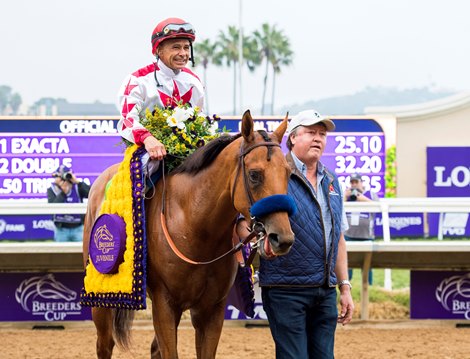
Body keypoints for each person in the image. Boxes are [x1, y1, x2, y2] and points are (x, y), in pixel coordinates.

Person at [237, 109, 354, 358]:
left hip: (324, 291)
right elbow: (245, 222)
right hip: (285, 289)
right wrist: (259, 242)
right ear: (291, 138)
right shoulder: (273, 172)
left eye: (322, 134)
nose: (318, 139)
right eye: (310, 132)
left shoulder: (331, 181)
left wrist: (344, 287)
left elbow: (338, 239)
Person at [117, 17, 205, 175]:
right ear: (158, 50)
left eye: (186, 48)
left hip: (189, 149)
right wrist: (147, 138)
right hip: (147, 150)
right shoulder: (137, 80)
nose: (183, 53)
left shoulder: (194, 81)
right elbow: (127, 120)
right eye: (176, 47)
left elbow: (200, 117)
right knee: (145, 170)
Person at [344, 173, 378, 285]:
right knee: (346, 263)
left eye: (356, 182)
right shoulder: (347, 196)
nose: (354, 185)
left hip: (366, 236)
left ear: (361, 182)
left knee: (367, 265)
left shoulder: (371, 194)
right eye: (352, 182)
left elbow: (378, 208)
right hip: (348, 235)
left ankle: (369, 285)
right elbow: (337, 208)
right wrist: (345, 196)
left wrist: (362, 199)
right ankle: (346, 285)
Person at [47, 165, 90, 242]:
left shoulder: (77, 187)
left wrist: (77, 182)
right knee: (60, 253)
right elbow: (53, 207)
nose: (64, 180)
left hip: (78, 228)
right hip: (61, 229)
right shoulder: (52, 189)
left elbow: (90, 193)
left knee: (80, 252)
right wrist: (63, 193)